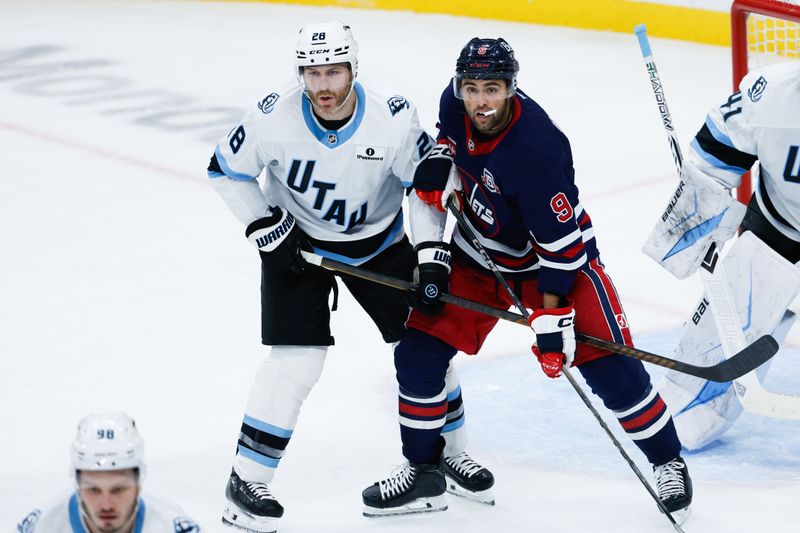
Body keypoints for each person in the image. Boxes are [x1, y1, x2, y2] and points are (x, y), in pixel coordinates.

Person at [361, 37, 693, 521]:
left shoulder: (537, 149)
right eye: (471, 88)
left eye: (491, 89)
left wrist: (554, 315)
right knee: (418, 352)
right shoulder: (453, 105)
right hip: (479, 255)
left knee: (610, 369)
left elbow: (561, 249)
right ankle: (423, 473)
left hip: (553, 267)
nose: (479, 101)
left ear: (512, 89)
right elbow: (446, 152)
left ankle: (668, 461)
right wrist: (438, 173)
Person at [207, 21, 492, 533]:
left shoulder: (392, 119)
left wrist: (429, 252)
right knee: (295, 362)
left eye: (333, 71)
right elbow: (225, 169)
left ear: (353, 69)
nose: (323, 85)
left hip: (379, 245)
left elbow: (423, 188)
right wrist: (263, 225)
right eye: (312, 72)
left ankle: (448, 452)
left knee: (427, 343)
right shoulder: (272, 116)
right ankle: (246, 482)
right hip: (299, 247)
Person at [644, 61, 800, 449]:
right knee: (689, 405)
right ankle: (699, 404)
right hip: (778, 230)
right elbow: (713, 160)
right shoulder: (771, 94)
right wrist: (698, 217)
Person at [16, 413, 201, 533]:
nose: (106, 505)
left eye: (118, 489)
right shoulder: (41, 526)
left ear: (139, 484)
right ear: (78, 486)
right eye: (94, 490)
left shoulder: (173, 527)